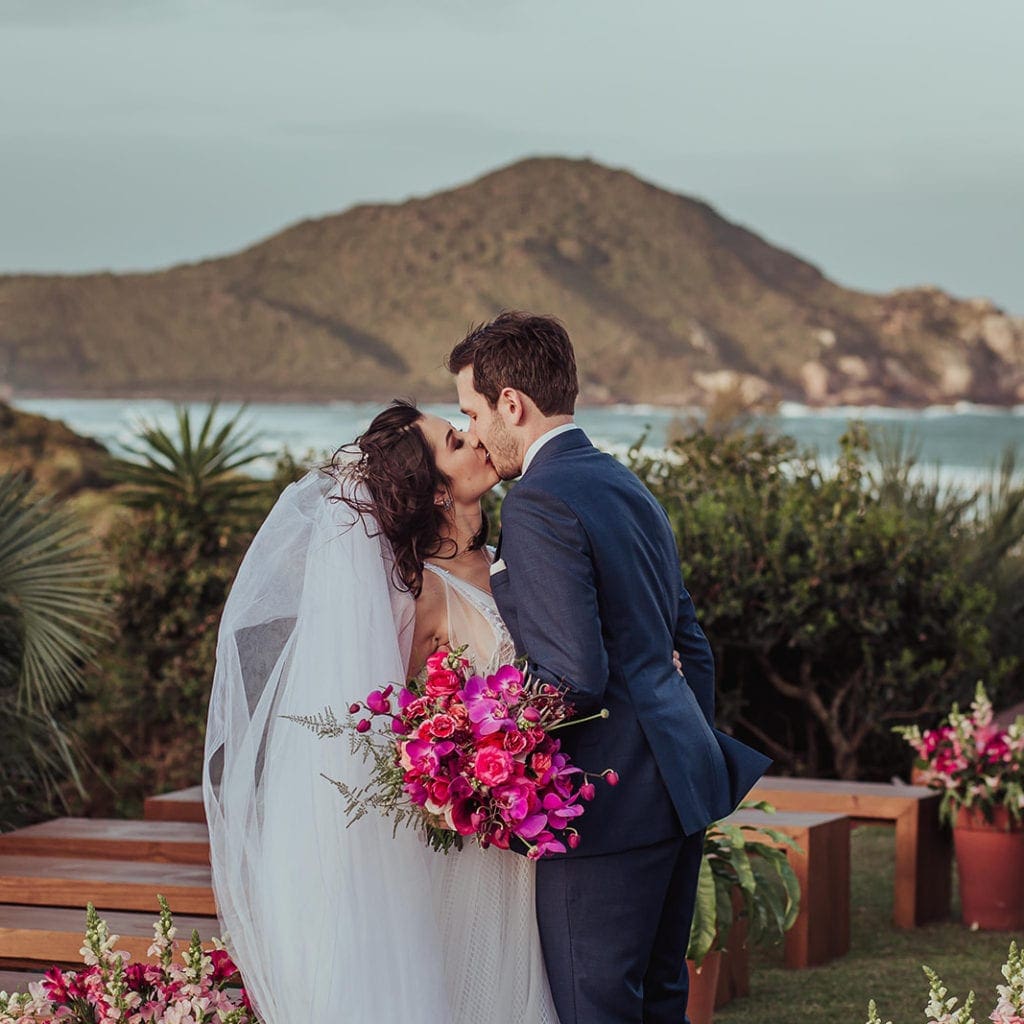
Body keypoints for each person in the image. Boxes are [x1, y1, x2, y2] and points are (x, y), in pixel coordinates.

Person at [448, 311, 772, 1024]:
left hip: (604, 806)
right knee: (659, 1000)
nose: (470, 431)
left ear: (511, 404)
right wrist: (681, 743)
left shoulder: (537, 501)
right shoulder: (623, 483)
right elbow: (692, 643)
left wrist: (474, 744)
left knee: (594, 1008)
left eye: (471, 409)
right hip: (679, 783)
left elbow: (572, 676)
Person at [203, 400, 559, 1022]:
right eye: (456, 441)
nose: (477, 440)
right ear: (438, 492)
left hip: (526, 827)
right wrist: (462, 767)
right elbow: (385, 728)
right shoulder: (419, 593)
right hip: (469, 841)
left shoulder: (513, 556)